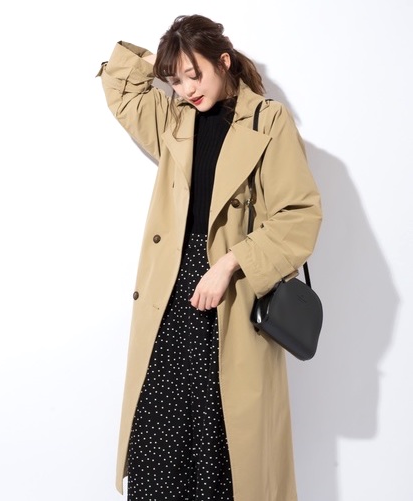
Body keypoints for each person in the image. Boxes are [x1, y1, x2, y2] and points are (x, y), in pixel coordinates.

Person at [97, 14, 322, 501]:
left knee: (222, 442)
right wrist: (168, 59)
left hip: (232, 293)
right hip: (171, 292)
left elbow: (299, 215)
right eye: (175, 80)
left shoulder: (268, 121)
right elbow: (122, 88)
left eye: (194, 75)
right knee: (157, 435)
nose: (186, 90)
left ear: (224, 61)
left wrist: (228, 264)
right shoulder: (174, 118)